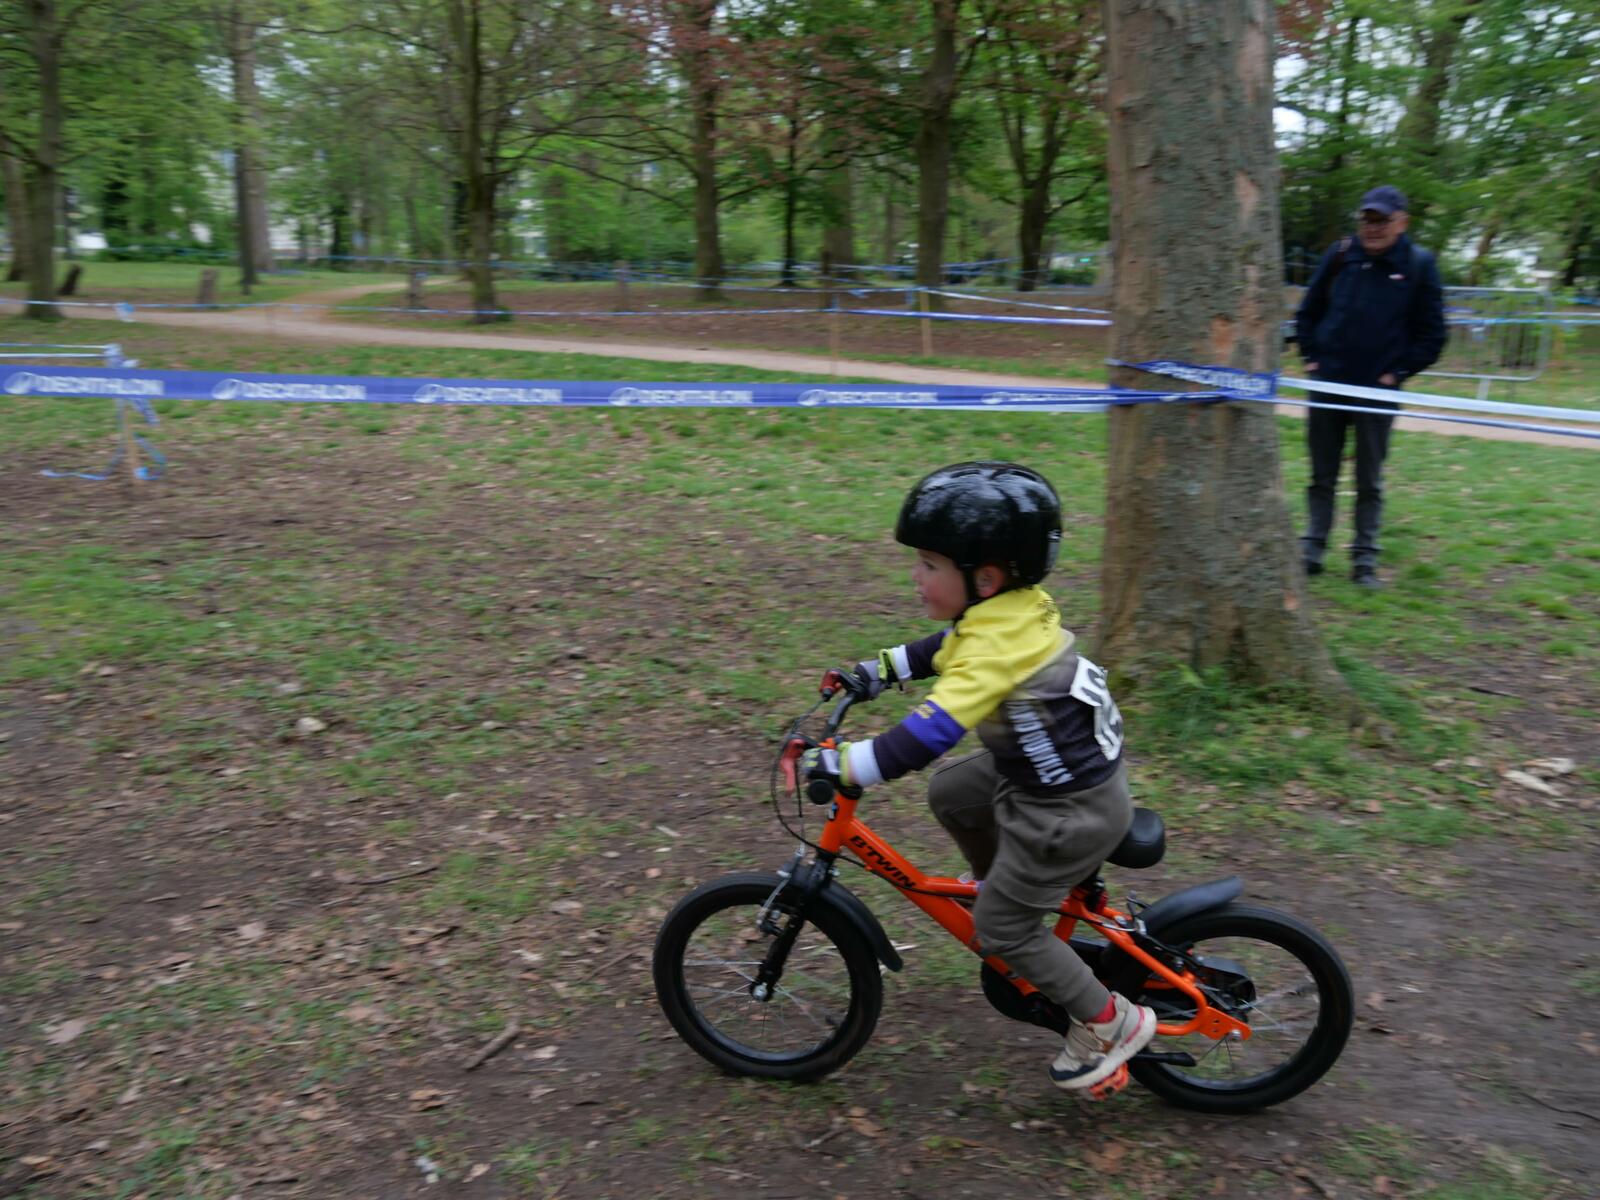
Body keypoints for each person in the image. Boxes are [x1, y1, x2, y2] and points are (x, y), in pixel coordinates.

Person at [803, 461, 1154, 1097]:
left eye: (929, 564)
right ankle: (1005, 885)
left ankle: (1109, 1023)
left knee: (1000, 930)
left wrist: (843, 763)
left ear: (984, 578)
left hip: (1066, 811)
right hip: (1053, 776)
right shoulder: (1013, 611)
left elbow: (928, 735)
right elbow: (945, 647)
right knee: (952, 793)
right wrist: (876, 671)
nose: (915, 575)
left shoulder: (993, 649)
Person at [1294, 184, 1447, 587]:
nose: (1373, 228)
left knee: (1369, 480)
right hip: (1328, 384)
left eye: (1381, 220)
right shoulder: (1341, 254)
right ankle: (1312, 548)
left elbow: (1433, 335)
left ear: (1402, 223)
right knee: (1321, 475)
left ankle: (1364, 558)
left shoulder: (1418, 265)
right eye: (1367, 219)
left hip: (1377, 392)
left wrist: (1397, 373)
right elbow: (1308, 312)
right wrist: (1311, 357)